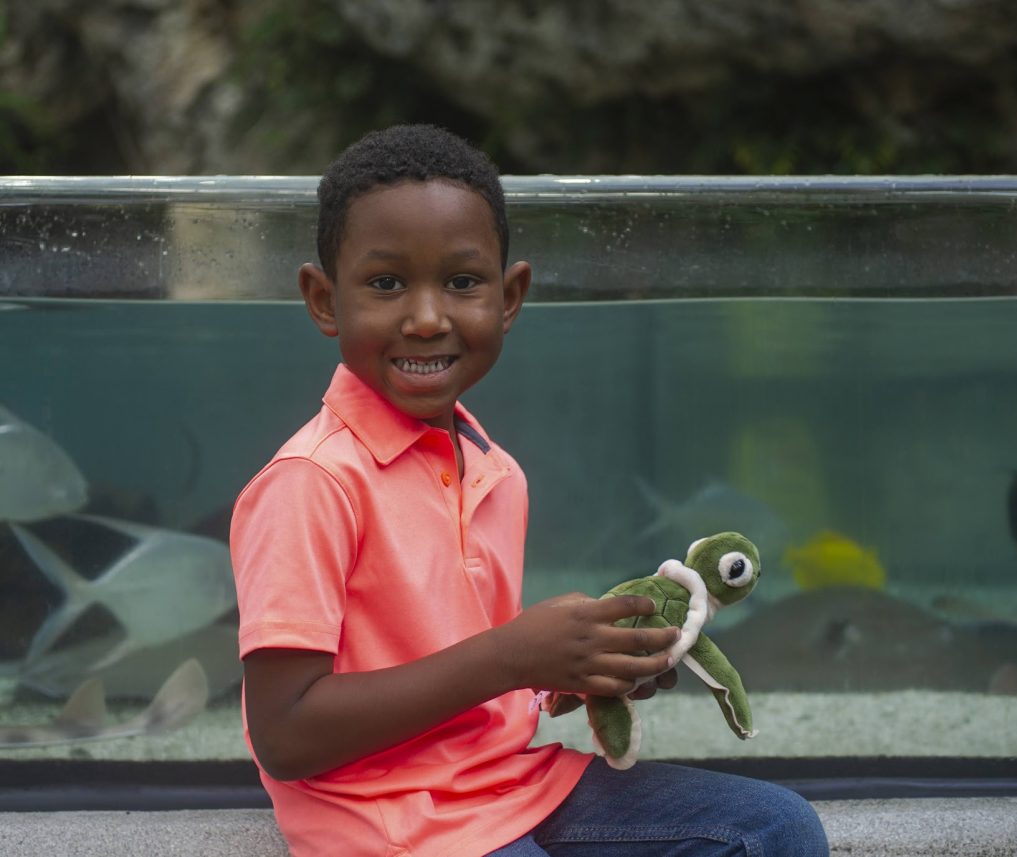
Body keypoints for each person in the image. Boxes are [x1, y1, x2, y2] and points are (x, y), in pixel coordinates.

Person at [230, 124, 829, 857]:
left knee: (776, 830)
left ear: (509, 297)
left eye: (462, 282)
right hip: (388, 821)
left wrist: (586, 669)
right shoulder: (311, 482)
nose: (426, 317)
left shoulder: (496, 472)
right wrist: (511, 656)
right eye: (387, 284)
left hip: (515, 784)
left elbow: (481, 681)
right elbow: (286, 734)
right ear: (324, 300)